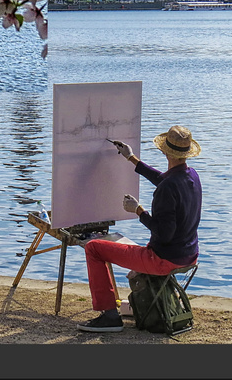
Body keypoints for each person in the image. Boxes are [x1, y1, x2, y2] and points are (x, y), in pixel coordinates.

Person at [76, 125, 202, 334]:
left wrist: (139, 211)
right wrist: (131, 158)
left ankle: (109, 316)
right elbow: (163, 180)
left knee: (94, 248)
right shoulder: (191, 176)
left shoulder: (167, 188)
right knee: (109, 247)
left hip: (163, 260)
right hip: (189, 255)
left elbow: (164, 233)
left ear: (164, 151)